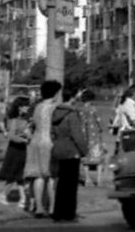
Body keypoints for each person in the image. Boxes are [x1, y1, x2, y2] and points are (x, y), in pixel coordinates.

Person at [48, 87, 90, 222]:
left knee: (61, 183)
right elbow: (77, 135)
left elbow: (52, 132)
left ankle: (58, 212)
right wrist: (84, 150)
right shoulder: (72, 114)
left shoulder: (56, 112)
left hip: (58, 148)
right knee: (71, 185)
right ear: (72, 98)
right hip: (71, 150)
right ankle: (69, 213)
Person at [24, 79, 62, 217]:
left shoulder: (37, 107)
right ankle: (51, 208)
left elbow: (31, 125)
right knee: (52, 175)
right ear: (55, 93)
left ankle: (39, 207)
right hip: (50, 142)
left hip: (36, 141)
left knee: (38, 175)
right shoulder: (55, 108)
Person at [0, 96, 30, 192]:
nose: (28, 108)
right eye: (26, 106)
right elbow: (11, 136)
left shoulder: (24, 119)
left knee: (19, 176)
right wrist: (24, 140)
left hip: (21, 149)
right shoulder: (14, 120)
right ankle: (4, 195)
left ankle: (22, 197)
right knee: (13, 175)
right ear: (20, 107)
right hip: (15, 150)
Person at [115, 86, 135, 153]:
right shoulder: (130, 104)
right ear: (134, 93)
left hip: (125, 134)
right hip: (131, 134)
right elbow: (134, 121)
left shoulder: (125, 102)